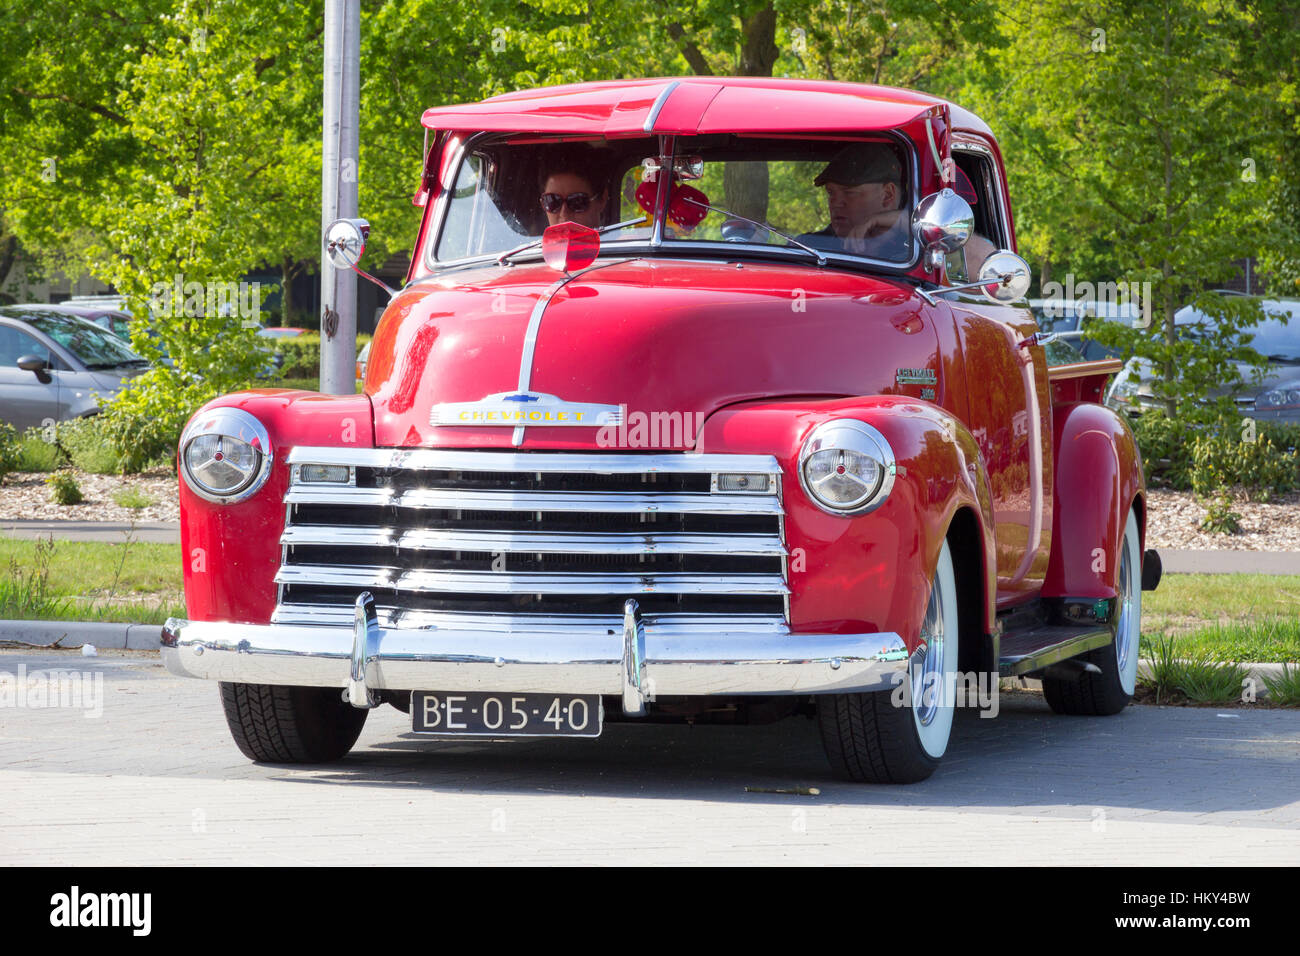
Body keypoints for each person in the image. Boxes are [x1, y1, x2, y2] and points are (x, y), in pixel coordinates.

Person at [799, 143, 910, 260]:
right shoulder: (807, 248)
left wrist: (907, 223)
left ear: (887, 195)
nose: (835, 203)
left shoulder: (920, 249)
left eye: (849, 192)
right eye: (831, 193)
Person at [538, 149, 608, 229]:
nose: (564, 214)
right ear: (543, 203)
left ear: (602, 200)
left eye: (577, 202)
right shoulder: (529, 241)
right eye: (553, 202)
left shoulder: (622, 241)